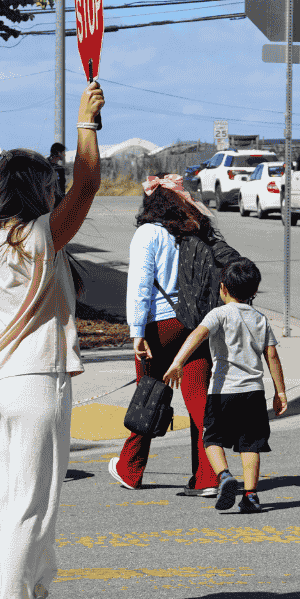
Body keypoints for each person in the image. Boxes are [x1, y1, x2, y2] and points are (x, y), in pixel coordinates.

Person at [0, 80, 105, 599]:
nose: (58, 194)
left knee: (1, 499)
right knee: (32, 500)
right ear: (37, 192)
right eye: (51, 186)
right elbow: (90, 184)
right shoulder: (41, 238)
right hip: (34, 379)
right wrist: (86, 122)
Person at [108, 174, 219, 494]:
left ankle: (130, 469)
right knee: (200, 403)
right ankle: (209, 477)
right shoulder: (192, 234)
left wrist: (136, 331)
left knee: (150, 395)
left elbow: (140, 287)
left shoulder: (148, 234)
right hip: (194, 324)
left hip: (160, 326)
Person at [163, 258, 287, 513]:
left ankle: (224, 476)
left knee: (212, 438)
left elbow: (197, 334)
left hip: (222, 392)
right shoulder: (261, 319)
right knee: (251, 444)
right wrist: (280, 391)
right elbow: (272, 355)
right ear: (254, 292)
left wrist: (178, 362)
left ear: (222, 289)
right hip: (253, 393)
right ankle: (251, 496)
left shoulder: (219, 314)